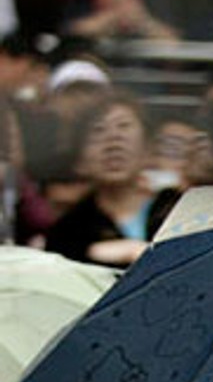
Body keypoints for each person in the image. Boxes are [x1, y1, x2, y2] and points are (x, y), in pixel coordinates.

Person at [42, 91, 179, 265]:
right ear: (80, 160)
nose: (113, 141)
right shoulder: (69, 231)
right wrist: (89, 253)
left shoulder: (178, 209)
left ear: (148, 148)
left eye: (124, 126)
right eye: (98, 130)